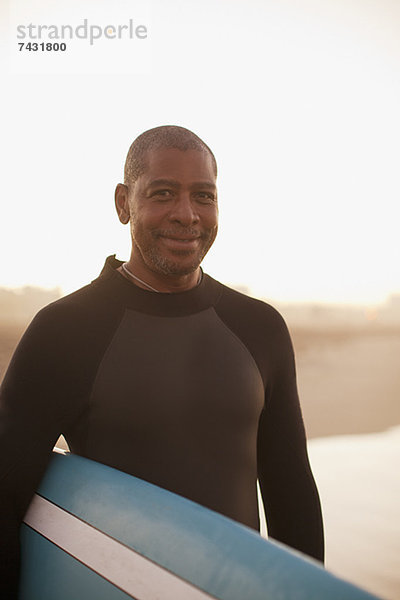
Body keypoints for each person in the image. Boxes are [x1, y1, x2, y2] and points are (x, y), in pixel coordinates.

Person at [0, 125, 324, 596]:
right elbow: (5, 495)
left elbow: (292, 494)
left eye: (204, 196)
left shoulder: (260, 327)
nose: (187, 214)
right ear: (123, 203)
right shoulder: (64, 331)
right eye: (163, 193)